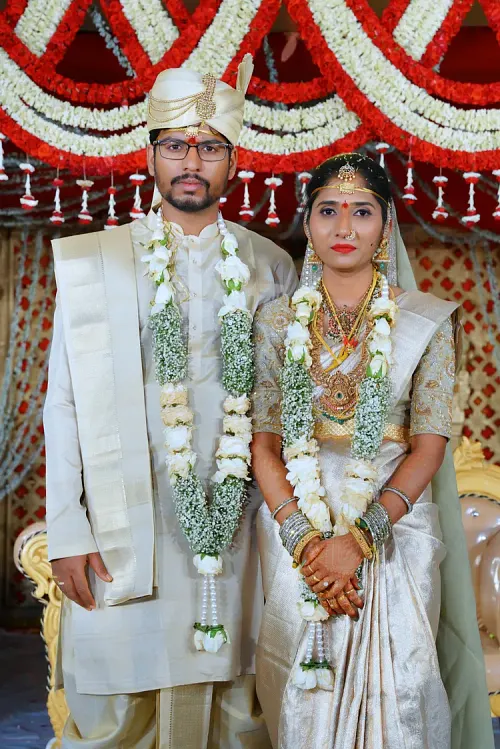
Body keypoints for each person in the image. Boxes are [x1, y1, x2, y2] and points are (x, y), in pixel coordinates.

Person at [43, 55, 297, 748]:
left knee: (235, 709)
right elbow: (63, 402)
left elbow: (281, 407)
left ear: (233, 161)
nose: (192, 161)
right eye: (177, 145)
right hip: (123, 525)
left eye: (210, 147)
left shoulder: (270, 265)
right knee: (117, 716)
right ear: (150, 154)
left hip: (234, 528)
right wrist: (68, 530)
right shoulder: (97, 263)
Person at [251, 152, 493, 749]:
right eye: (328, 210)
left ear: (385, 226)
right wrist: (306, 541)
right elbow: (263, 444)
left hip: (393, 530)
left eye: (362, 211)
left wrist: (357, 542)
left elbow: (428, 449)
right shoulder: (276, 321)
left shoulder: (426, 322)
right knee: (303, 698)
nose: (344, 227)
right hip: (295, 529)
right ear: (308, 223)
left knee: (402, 693)